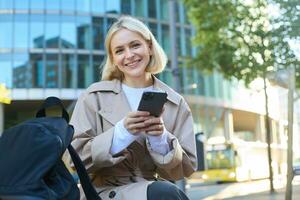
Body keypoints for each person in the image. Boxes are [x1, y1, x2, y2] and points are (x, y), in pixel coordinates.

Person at [70, 15, 197, 200]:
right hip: (102, 193)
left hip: (153, 189)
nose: (129, 55)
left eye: (135, 45)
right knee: (165, 194)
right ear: (113, 59)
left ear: (150, 47)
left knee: (165, 192)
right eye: (120, 50)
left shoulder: (176, 103)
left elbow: (185, 169)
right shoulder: (93, 96)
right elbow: (74, 159)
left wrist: (160, 138)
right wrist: (122, 133)